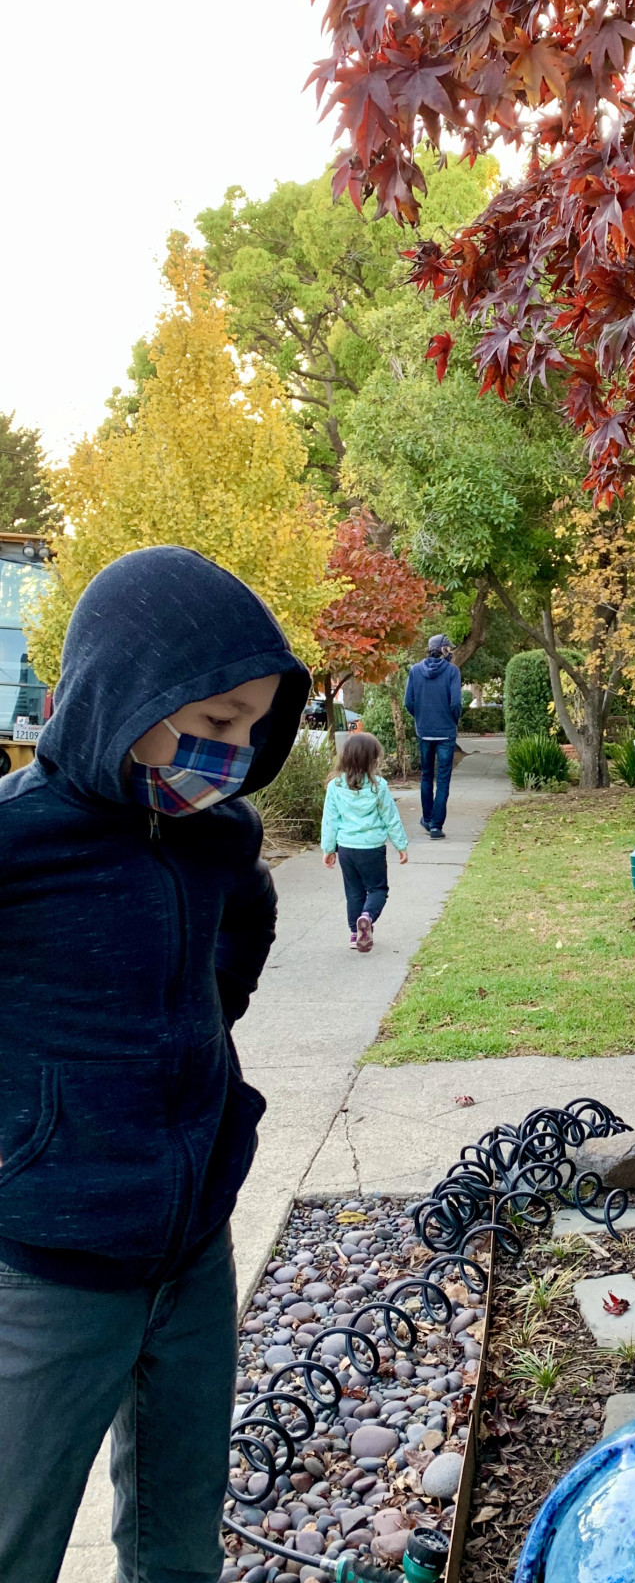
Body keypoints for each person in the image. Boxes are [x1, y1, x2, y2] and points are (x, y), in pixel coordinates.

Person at [0, 546, 310, 1583]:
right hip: (51, 1270)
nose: (237, 750)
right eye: (218, 720)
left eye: (255, 727)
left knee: (180, 1542)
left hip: (194, 1251)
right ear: (123, 692)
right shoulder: (16, 844)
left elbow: (247, 921)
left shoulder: (218, 834)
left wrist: (204, 1027)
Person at [321, 731, 409, 951]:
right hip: (371, 848)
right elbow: (390, 817)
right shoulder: (378, 786)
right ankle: (367, 918)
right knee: (378, 889)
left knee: (354, 892)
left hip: (346, 848)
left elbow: (330, 820)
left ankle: (355, 933)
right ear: (372, 759)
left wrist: (328, 849)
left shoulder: (335, 786)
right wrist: (401, 845)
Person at [404, 632, 462, 839]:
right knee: (443, 779)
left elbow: (409, 702)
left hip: (424, 731)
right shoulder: (452, 671)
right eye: (450, 648)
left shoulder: (415, 671)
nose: (451, 652)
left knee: (426, 776)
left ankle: (427, 819)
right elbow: (456, 703)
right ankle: (436, 826)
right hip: (446, 732)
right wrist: (453, 720)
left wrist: (421, 718)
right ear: (444, 650)